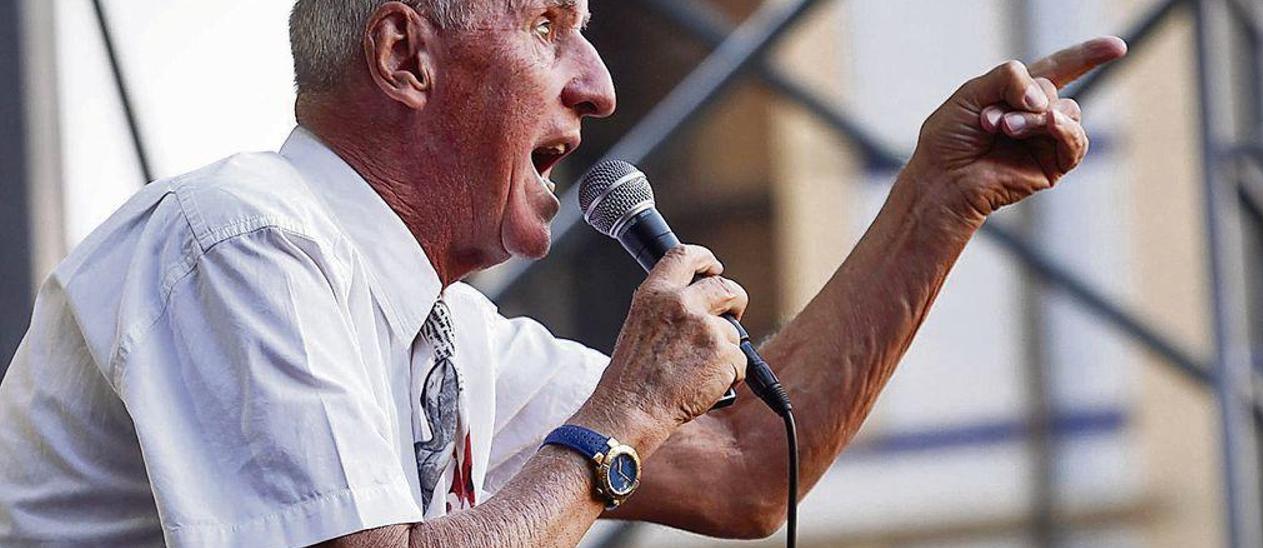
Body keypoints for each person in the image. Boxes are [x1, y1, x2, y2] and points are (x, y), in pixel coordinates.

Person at [0, 0, 1126, 546]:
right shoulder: (241, 242)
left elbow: (744, 468)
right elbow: (618, 442)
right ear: (404, 56)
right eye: (550, 23)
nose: (596, 85)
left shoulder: (441, 329)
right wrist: (622, 411)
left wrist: (937, 194)